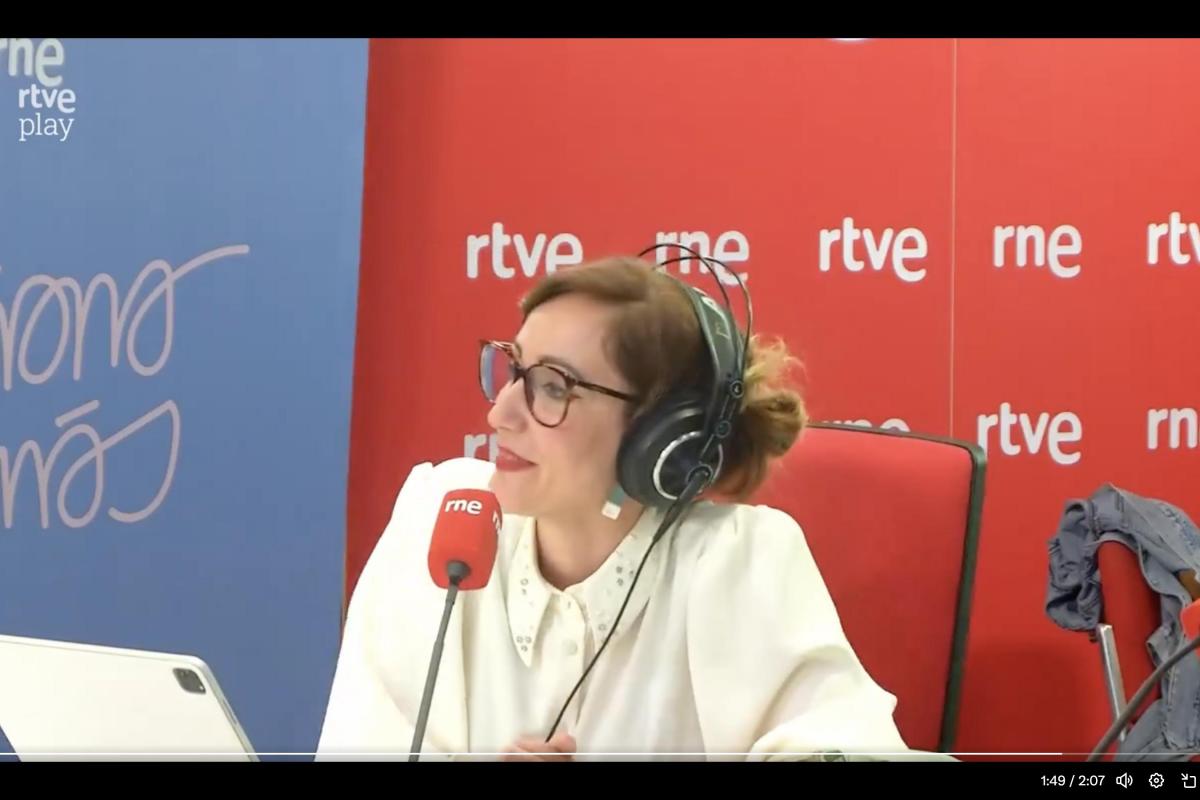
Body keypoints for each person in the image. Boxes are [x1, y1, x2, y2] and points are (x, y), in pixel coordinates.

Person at [315, 255, 909, 761]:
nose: (501, 414)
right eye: (514, 370)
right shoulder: (444, 518)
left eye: (554, 387)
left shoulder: (735, 561)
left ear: (660, 438)